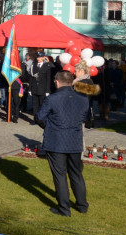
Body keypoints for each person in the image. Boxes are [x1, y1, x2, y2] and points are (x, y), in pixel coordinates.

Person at [36, 70, 90, 217]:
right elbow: (87, 118)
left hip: (57, 141)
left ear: (57, 82)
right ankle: (82, 205)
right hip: (73, 139)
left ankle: (65, 208)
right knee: (76, 173)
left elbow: (39, 117)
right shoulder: (82, 98)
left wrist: (50, 126)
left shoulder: (53, 98)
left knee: (60, 175)